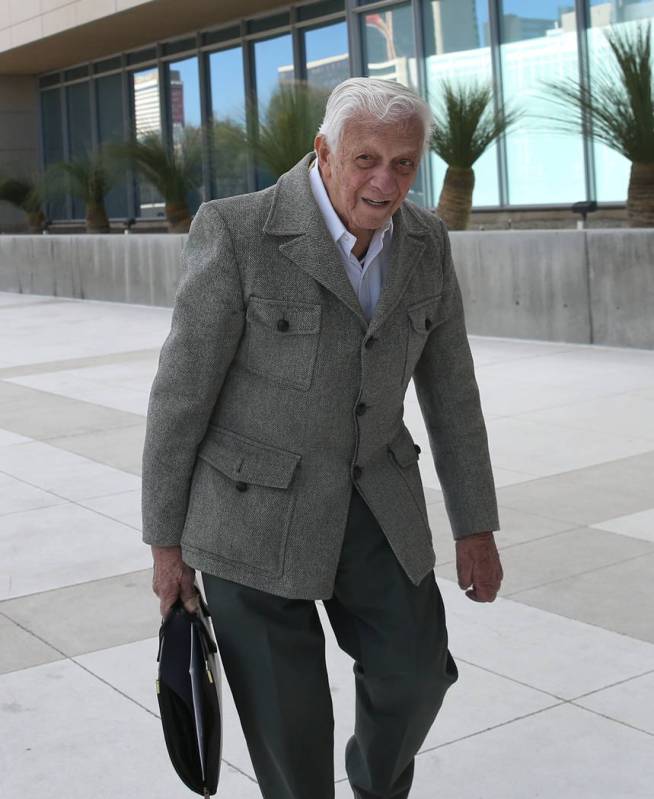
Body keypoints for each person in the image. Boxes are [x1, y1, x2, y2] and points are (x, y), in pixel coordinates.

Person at [142, 77, 503, 799]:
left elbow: (452, 393)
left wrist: (476, 526)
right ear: (325, 152)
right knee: (290, 736)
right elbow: (180, 396)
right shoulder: (239, 231)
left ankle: (374, 785)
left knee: (416, 668)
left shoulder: (427, 243)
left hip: (374, 499)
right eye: (367, 158)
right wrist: (165, 544)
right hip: (248, 514)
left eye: (404, 163)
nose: (385, 180)